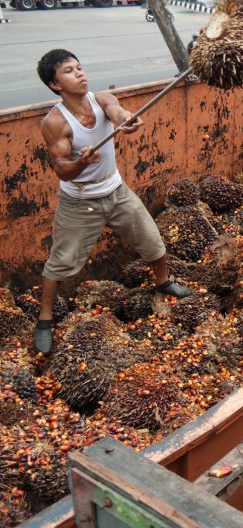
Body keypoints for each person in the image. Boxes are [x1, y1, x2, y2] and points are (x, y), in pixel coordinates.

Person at [34, 49, 191, 355]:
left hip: (116, 191)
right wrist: (81, 163)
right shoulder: (55, 122)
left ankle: (163, 282)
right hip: (79, 201)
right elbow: (62, 169)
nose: (80, 73)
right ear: (55, 85)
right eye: (69, 71)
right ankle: (45, 317)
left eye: (80, 67)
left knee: (152, 240)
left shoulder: (101, 99)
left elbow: (117, 112)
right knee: (60, 262)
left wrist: (127, 120)